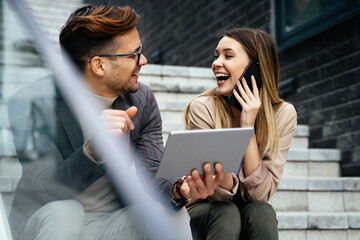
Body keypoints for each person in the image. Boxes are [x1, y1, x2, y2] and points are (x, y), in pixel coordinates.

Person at [7, 4, 225, 240]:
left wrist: (180, 189)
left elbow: (153, 172)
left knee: (166, 213)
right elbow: (44, 187)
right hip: (47, 223)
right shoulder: (34, 102)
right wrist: (93, 150)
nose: (144, 60)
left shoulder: (141, 100)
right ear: (99, 65)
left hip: (108, 224)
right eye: (134, 54)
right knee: (66, 212)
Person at [183, 27, 297, 239]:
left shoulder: (283, 114)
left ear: (255, 68)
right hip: (206, 210)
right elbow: (218, 194)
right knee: (226, 213)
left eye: (228, 55)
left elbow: (260, 195)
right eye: (216, 55)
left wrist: (248, 128)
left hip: (248, 210)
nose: (216, 63)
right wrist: (235, 133)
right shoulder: (203, 108)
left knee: (262, 212)